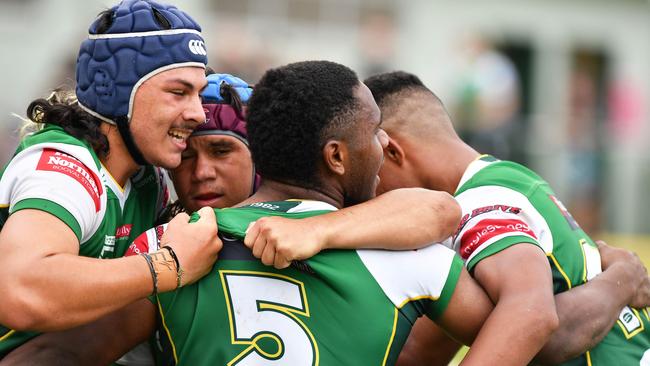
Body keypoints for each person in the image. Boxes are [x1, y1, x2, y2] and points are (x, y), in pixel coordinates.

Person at [0, 70, 468, 365]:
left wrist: (317, 231)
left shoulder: (163, 245)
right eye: (185, 157)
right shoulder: (170, 244)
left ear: (260, 157)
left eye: (222, 150)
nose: (202, 173)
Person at [363, 71, 650, 365]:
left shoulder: (480, 202)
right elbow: (418, 352)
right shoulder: (504, 182)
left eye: (371, 173)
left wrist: (621, 281)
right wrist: (621, 279)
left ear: (392, 152)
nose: (371, 194)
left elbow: (531, 318)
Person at [0, 0, 222, 357]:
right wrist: (169, 265)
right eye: (178, 92)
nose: (197, 113)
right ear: (117, 94)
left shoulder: (146, 177)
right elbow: (20, 289)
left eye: (198, 93)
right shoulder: (65, 166)